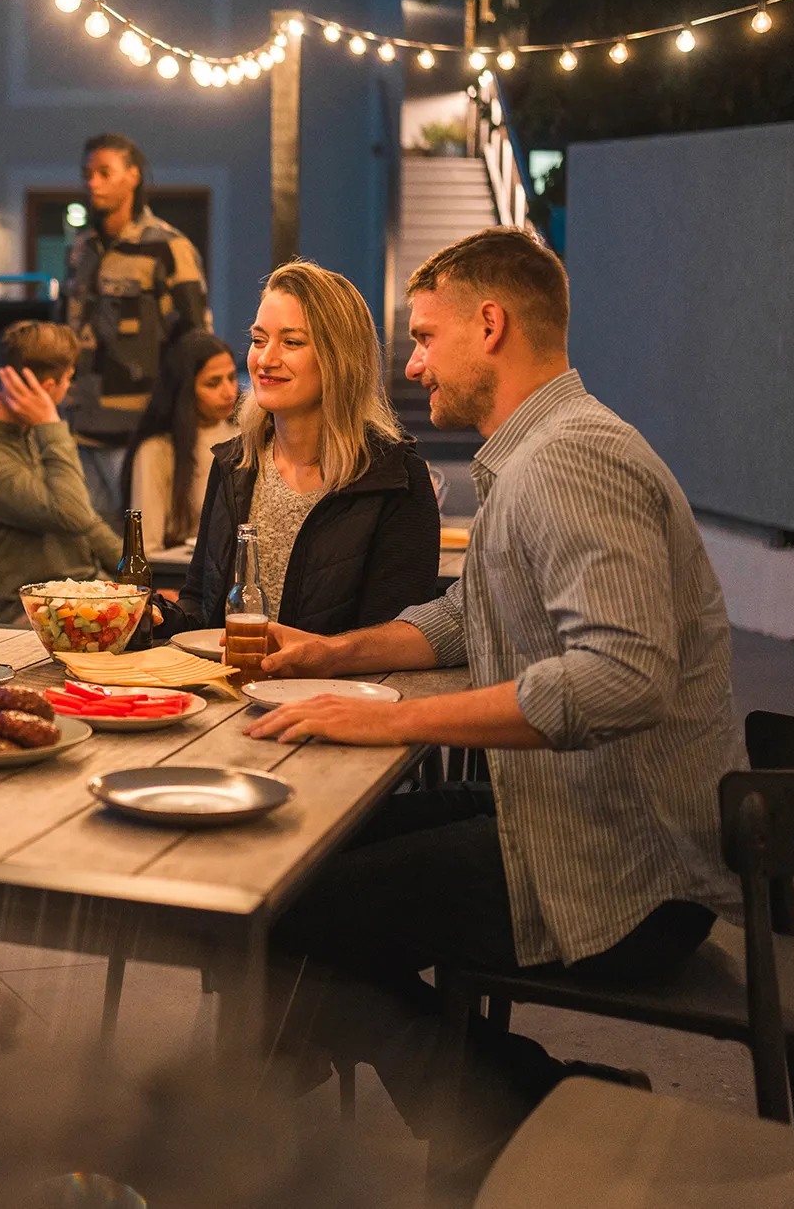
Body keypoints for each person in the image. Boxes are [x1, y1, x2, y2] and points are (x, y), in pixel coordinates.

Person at [244, 227, 740, 1182]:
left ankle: (526, 1109)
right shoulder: (539, 451)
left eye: (426, 338)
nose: (413, 362)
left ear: (491, 323)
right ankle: (493, 1108)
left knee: (291, 912)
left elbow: (623, 678)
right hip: (567, 820)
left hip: (624, 872)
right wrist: (331, 653)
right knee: (307, 863)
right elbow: (468, 616)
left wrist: (388, 718)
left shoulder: (571, 462)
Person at [179, 261, 440, 635]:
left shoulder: (396, 479)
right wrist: (147, 614)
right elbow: (200, 604)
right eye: (258, 340)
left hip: (341, 693)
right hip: (229, 690)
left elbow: (395, 640)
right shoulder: (235, 463)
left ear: (339, 358)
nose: (265, 359)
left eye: (291, 342)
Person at [60, 132, 210, 518]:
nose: (92, 182)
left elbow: (195, 338)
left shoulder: (167, 246)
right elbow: (65, 327)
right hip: (79, 425)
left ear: (134, 176)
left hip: (138, 431)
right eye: (88, 173)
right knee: (89, 545)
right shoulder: (81, 249)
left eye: (105, 172)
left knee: (133, 547)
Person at [0, 319, 121, 624]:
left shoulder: (24, 428)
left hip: (78, 595)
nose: (69, 389)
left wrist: (141, 576)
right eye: (69, 380)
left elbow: (86, 521)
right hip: (24, 613)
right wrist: (51, 424)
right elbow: (72, 512)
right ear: (48, 388)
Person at [120, 330, 240, 550]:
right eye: (213, 383)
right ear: (185, 390)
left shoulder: (245, 435)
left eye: (231, 378)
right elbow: (147, 547)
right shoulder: (157, 450)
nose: (229, 391)